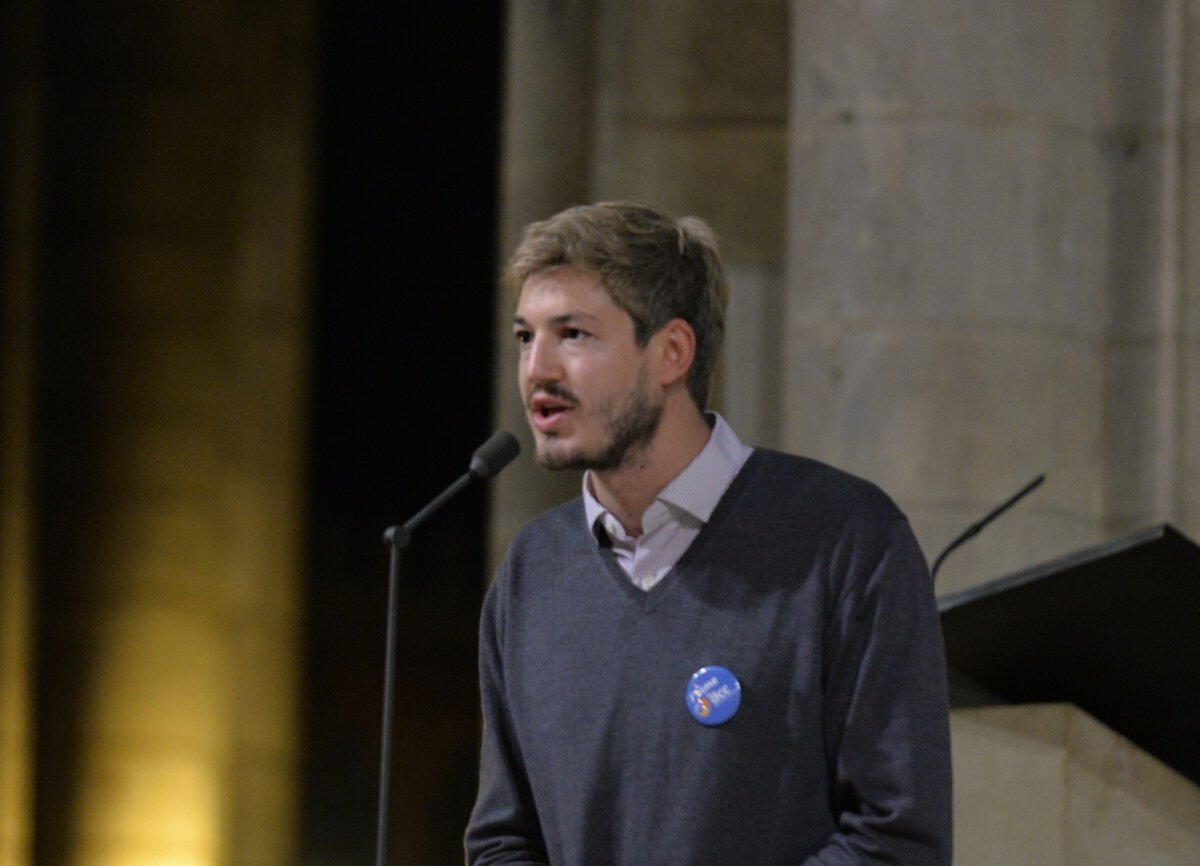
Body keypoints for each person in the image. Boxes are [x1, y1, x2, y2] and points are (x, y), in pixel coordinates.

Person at [465, 201, 953, 865]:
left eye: (573, 334)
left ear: (671, 352)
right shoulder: (533, 572)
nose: (536, 371)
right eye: (526, 337)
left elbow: (896, 838)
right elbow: (502, 841)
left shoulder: (847, 541)